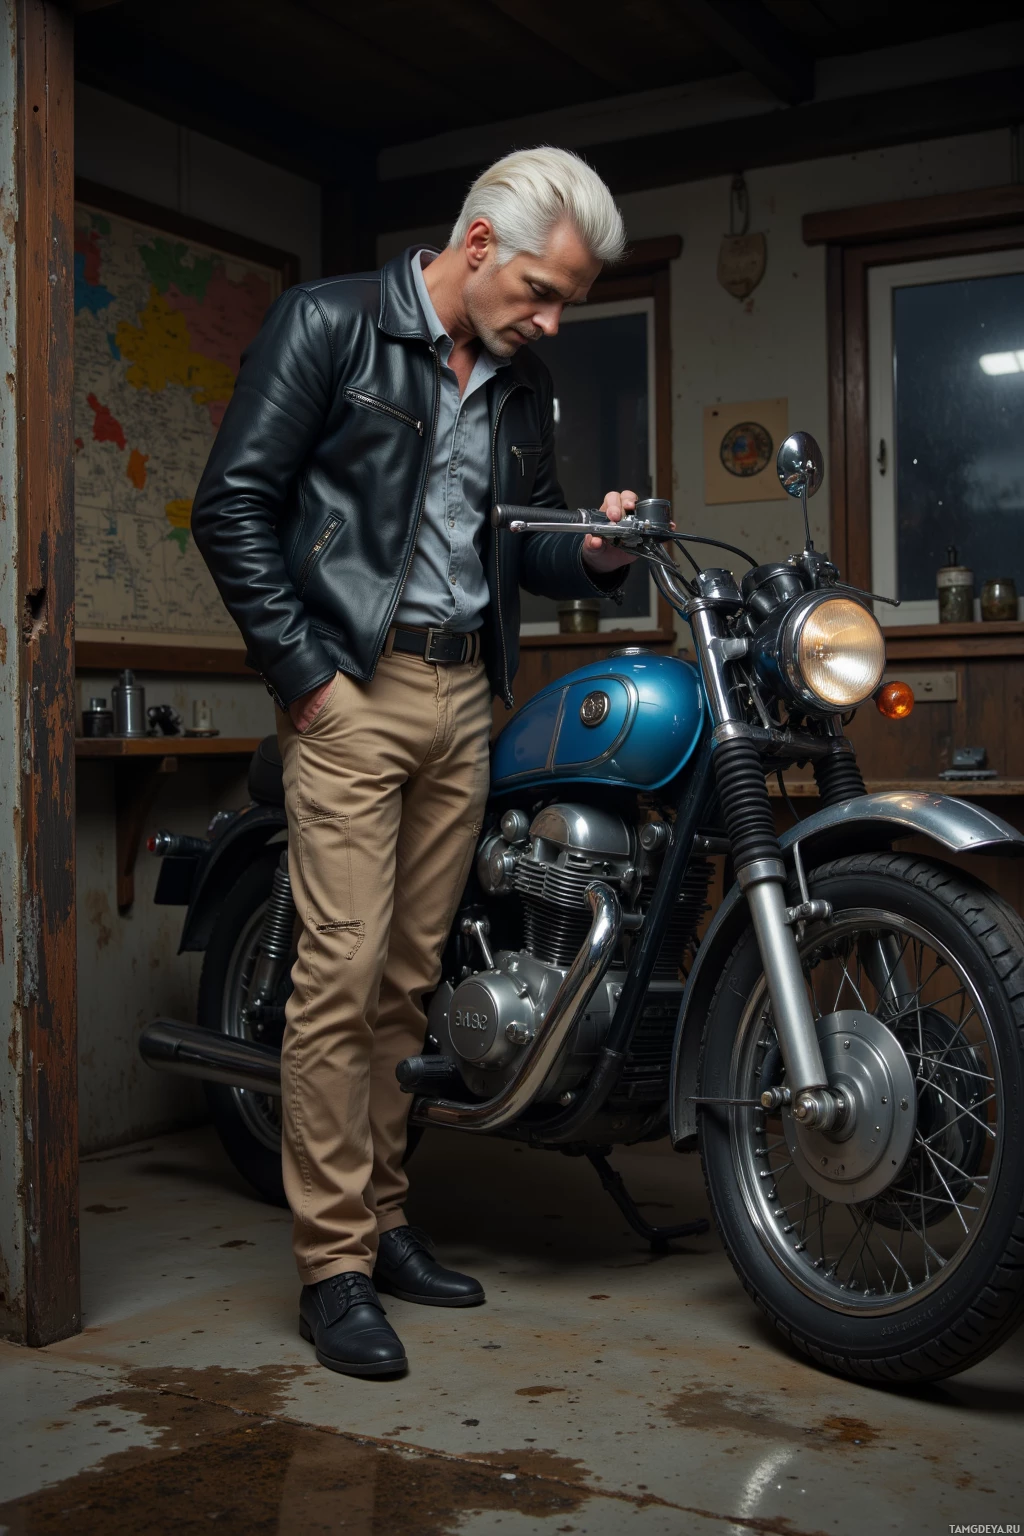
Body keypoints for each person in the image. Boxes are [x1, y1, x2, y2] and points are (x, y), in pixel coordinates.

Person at [192, 146, 637, 1378]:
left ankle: (384, 1222)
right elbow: (231, 505)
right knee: (336, 977)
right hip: (353, 690)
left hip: (463, 698)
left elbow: (523, 545)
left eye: (565, 303)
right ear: (479, 244)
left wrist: (592, 554)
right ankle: (332, 1266)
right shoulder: (329, 326)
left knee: (408, 979)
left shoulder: (521, 381)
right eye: (542, 292)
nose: (550, 322)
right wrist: (308, 680)